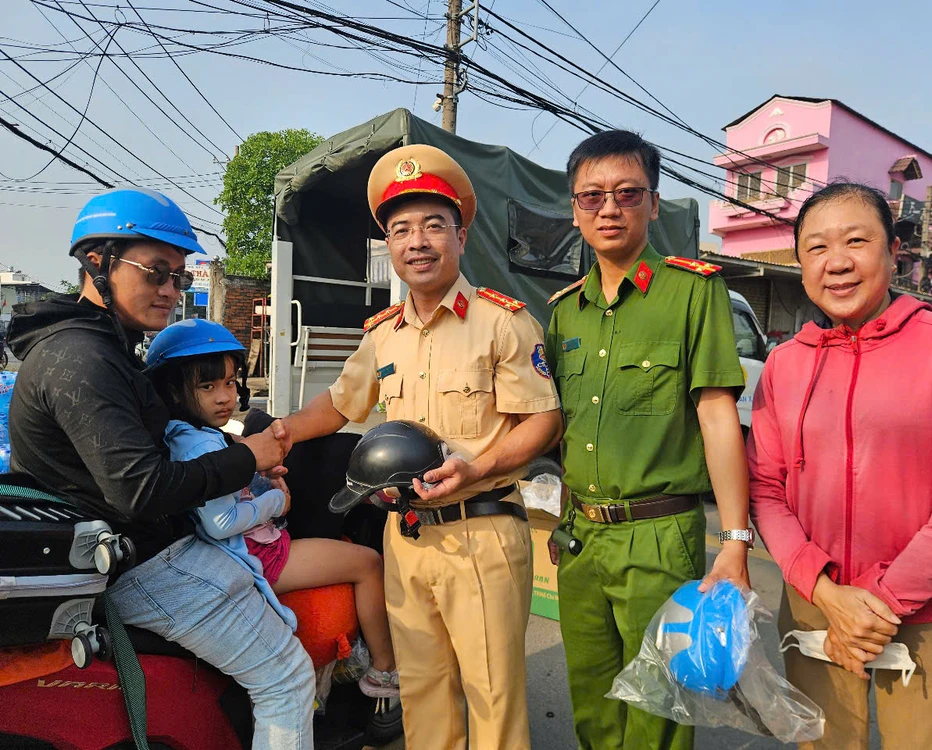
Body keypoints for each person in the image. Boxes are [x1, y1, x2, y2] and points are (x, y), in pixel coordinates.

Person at [274, 144, 563, 749]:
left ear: (461, 234)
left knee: (492, 695)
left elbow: (542, 422)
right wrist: (275, 436)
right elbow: (338, 405)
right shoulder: (384, 336)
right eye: (401, 230)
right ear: (389, 246)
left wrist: (477, 466)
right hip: (405, 537)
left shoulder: (502, 323)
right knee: (424, 689)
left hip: (480, 533)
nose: (418, 242)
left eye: (434, 225)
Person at [7, 188, 315, 749]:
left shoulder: (107, 345)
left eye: (177, 276)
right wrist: (252, 457)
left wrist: (243, 469)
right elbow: (141, 491)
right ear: (97, 262)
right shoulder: (83, 358)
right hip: (145, 562)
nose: (171, 291)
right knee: (287, 676)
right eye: (155, 273)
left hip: (144, 550)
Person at [748, 182, 932, 750]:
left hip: (929, 616)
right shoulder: (785, 364)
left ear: (892, 254)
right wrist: (825, 592)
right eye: (816, 248)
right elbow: (765, 487)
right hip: (817, 605)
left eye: (856, 241)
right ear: (801, 263)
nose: (837, 262)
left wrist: (877, 606)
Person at [545, 130, 751, 750]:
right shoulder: (563, 313)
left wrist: (735, 540)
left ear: (654, 204)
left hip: (659, 536)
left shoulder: (693, 291)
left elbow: (717, 417)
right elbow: (560, 427)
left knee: (657, 707)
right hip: (581, 538)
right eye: (591, 196)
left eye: (627, 194)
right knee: (592, 696)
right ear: (575, 209)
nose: (609, 208)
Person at [145, 318, 399, 698]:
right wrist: (276, 502)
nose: (223, 397)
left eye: (229, 383)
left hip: (249, 547)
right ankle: (385, 670)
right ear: (174, 391)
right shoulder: (199, 445)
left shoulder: (196, 435)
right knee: (367, 563)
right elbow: (220, 523)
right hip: (257, 554)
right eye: (207, 386)